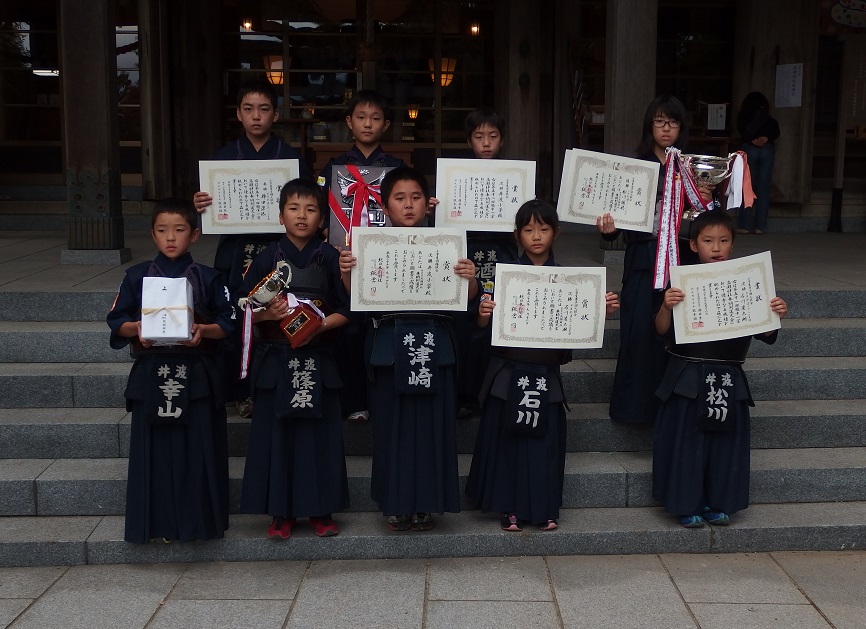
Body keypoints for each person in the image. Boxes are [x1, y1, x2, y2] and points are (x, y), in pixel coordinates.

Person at [338, 167, 479, 532]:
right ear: (385, 207)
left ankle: (428, 504)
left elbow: (468, 299)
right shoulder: (368, 246)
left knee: (433, 429)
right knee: (392, 428)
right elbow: (356, 299)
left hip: (436, 342)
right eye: (399, 198)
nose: (409, 205)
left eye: (416, 197)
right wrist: (346, 272)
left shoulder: (447, 244)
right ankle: (395, 504)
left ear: (427, 204)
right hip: (389, 344)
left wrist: (471, 277)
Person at [465, 200, 620, 531]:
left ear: (557, 233)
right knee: (509, 442)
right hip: (508, 372)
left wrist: (599, 311)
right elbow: (479, 331)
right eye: (529, 230)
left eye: (544, 229)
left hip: (545, 373)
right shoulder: (504, 276)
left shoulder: (569, 280)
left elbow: (576, 329)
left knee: (543, 445)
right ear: (517, 235)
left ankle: (544, 508)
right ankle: (508, 507)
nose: (536, 236)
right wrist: (482, 316)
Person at [107, 198, 235, 544]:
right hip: (153, 372)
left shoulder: (209, 277)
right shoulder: (137, 276)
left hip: (197, 372)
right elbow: (116, 320)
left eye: (179, 230)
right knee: (155, 453)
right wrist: (137, 330)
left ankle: (199, 524)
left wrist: (203, 331)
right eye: (162, 230)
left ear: (194, 234)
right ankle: (156, 524)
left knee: (197, 450)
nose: (171, 237)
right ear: (153, 234)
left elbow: (229, 323)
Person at [652, 209, 788, 528]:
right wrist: (666, 306)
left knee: (723, 446)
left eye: (724, 241)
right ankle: (685, 503)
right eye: (708, 241)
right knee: (688, 444)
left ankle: (717, 502)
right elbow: (660, 330)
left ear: (733, 244)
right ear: (693, 245)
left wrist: (775, 313)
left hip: (728, 376)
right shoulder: (681, 282)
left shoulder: (748, 281)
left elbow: (767, 334)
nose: (716, 247)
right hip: (687, 376)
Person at [192, 79, 314, 419]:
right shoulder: (223, 158)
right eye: (249, 109)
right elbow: (210, 207)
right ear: (238, 114)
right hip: (237, 250)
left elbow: (307, 201)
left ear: (275, 114)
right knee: (237, 315)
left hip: (279, 250)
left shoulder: (291, 158)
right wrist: (201, 204)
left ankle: (278, 385)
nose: (256, 116)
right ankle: (240, 391)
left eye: (263, 109)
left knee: (279, 314)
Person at [238, 178, 351, 540]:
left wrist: (320, 326)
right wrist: (266, 315)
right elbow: (242, 311)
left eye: (311, 209)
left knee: (319, 438)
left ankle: (321, 511)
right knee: (278, 437)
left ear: (322, 220)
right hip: (276, 359)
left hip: (318, 356)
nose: (302, 215)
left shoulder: (330, 257)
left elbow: (350, 308)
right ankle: (280, 513)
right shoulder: (266, 258)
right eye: (293, 208)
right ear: (280, 216)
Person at [597, 95, 710, 425]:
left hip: (682, 259)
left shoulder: (691, 168)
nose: (666, 128)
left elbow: (707, 220)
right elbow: (615, 226)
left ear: (681, 128)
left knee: (677, 331)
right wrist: (608, 230)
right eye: (660, 121)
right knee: (639, 332)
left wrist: (708, 199)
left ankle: (676, 407)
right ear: (650, 127)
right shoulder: (633, 168)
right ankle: (634, 410)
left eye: (673, 122)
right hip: (643, 259)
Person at [318, 89, 406, 424]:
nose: (368, 124)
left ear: (386, 125)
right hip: (346, 259)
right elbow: (321, 212)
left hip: (388, 258)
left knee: (385, 328)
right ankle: (354, 400)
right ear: (349, 122)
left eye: (375, 118)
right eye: (361, 117)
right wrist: (327, 230)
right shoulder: (334, 167)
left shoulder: (397, 168)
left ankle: (387, 395)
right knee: (350, 329)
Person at [454, 108, 520, 414]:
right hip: (467, 256)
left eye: (493, 136)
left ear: (502, 140)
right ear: (470, 140)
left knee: (499, 319)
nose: (486, 143)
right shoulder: (455, 177)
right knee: (468, 323)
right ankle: (467, 394)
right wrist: (436, 207)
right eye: (479, 136)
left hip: (501, 254)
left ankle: (498, 393)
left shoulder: (514, 177)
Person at [737, 91, 780, 235]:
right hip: (767, 150)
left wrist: (752, 140)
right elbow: (776, 131)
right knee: (763, 187)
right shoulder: (768, 118)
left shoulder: (743, 115)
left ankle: (744, 225)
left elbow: (742, 131)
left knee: (747, 186)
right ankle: (760, 226)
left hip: (749, 149)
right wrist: (765, 138)